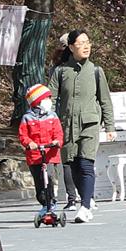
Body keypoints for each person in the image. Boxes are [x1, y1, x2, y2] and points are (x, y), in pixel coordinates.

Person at [49, 29, 114, 222]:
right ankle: (84, 198)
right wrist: (49, 122)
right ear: (70, 47)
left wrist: (110, 126)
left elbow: (105, 100)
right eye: (80, 43)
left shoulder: (96, 71)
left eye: (88, 42)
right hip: (66, 125)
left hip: (90, 124)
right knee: (73, 165)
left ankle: (85, 205)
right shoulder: (60, 72)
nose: (86, 46)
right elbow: (50, 98)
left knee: (86, 164)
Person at [17, 83, 66, 226]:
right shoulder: (27, 118)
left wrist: (57, 141)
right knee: (39, 182)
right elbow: (23, 135)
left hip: (49, 154)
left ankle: (52, 202)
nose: (49, 101)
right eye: (47, 98)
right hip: (35, 155)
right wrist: (29, 143)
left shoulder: (53, 116)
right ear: (38, 102)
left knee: (49, 178)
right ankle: (44, 203)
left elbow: (58, 132)